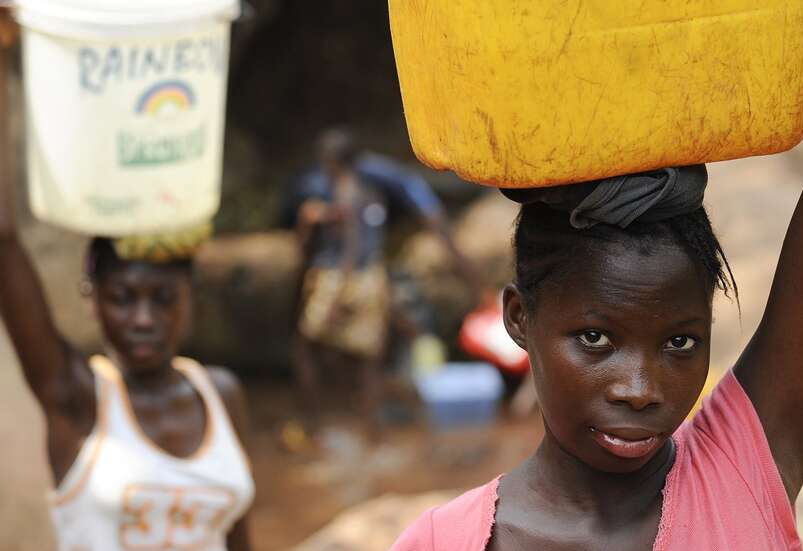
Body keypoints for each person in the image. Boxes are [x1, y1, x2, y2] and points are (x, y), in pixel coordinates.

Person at [392, 0, 803, 549]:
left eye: (681, 342)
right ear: (519, 318)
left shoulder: (741, 468)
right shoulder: (440, 542)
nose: (641, 390)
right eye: (596, 339)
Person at [0, 14, 254, 551]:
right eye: (123, 298)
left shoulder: (221, 396)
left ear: (191, 299)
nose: (143, 318)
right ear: (94, 300)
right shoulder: (76, 398)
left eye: (163, 299)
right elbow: (4, 241)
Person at [285, 128, 483, 437]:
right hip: (373, 277)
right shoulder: (365, 190)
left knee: (307, 346)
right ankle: (373, 429)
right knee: (369, 356)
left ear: (331, 161)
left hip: (345, 278)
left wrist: (339, 291)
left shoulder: (350, 187)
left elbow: (350, 245)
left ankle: (312, 425)